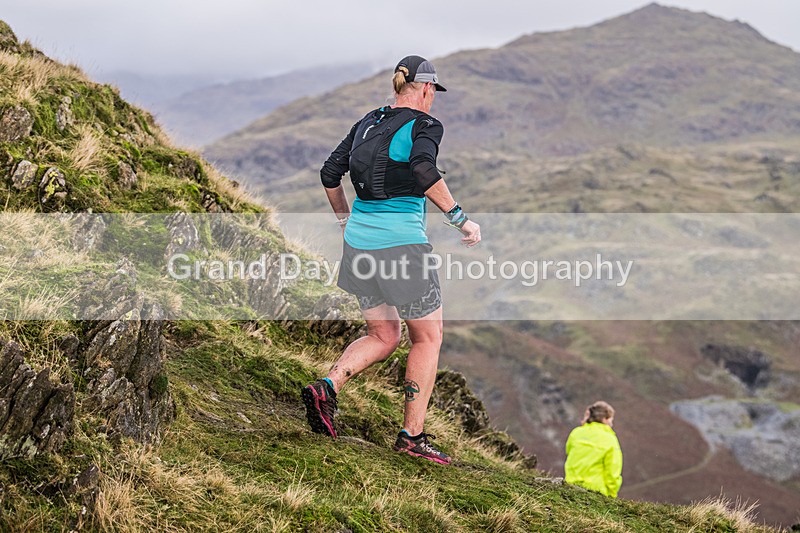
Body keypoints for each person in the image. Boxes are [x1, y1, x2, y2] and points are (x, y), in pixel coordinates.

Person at [302, 55, 480, 465]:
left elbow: (331, 173)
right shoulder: (425, 124)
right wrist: (460, 220)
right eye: (434, 91)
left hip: (359, 244)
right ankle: (411, 437)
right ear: (427, 88)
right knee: (428, 337)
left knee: (383, 335)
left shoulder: (369, 120)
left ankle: (326, 388)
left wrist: (345, 221)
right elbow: (422, 168)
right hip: (401, 248)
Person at [564, 401, 623, 497]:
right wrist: (612, 495)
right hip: (597, 492)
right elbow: (613, 472)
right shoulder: (610, 439)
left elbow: (568, 451)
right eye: (611, 420)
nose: (612, 424)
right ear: (605, 419)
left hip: (570, 487)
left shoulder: (576, 433)